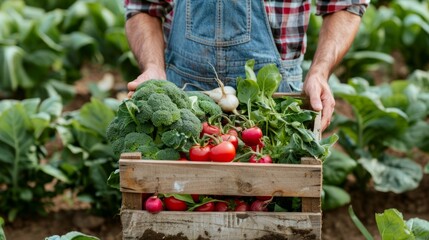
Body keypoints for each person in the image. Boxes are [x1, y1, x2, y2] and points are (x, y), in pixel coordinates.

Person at [124, 0, 370, 131]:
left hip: (275, 97)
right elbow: (144, 6)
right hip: (183, 99)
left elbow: (344, 3)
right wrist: (153, 66)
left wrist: (320, 71)